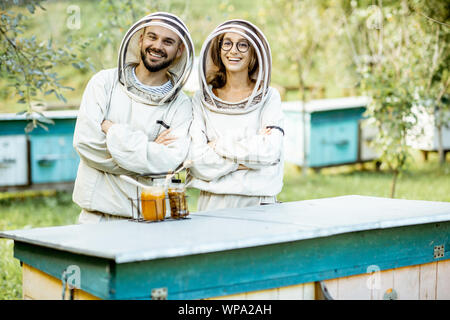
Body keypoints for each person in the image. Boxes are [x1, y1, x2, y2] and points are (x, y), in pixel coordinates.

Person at [73, 12, 195, 223]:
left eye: (168, 41)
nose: (157, 46)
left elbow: (169, 162)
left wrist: (112, 132)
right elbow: (86, 143)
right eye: (152, 37)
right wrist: (147, 153)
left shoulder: (182, 104)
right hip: (95, 218)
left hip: (149, 218)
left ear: (179, 50)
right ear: (140, 39)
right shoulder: (104, 83)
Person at [186, 20, 284, 211]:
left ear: (253, 51)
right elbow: (198, 163)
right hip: (212, 206)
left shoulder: (270, 97)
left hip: (261, 205)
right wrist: (250, 160)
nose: (234, 51)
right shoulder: (200, 99)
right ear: (218, 49)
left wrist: (216, 146)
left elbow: (270, 153)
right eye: (227, 43)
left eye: (242, 44)